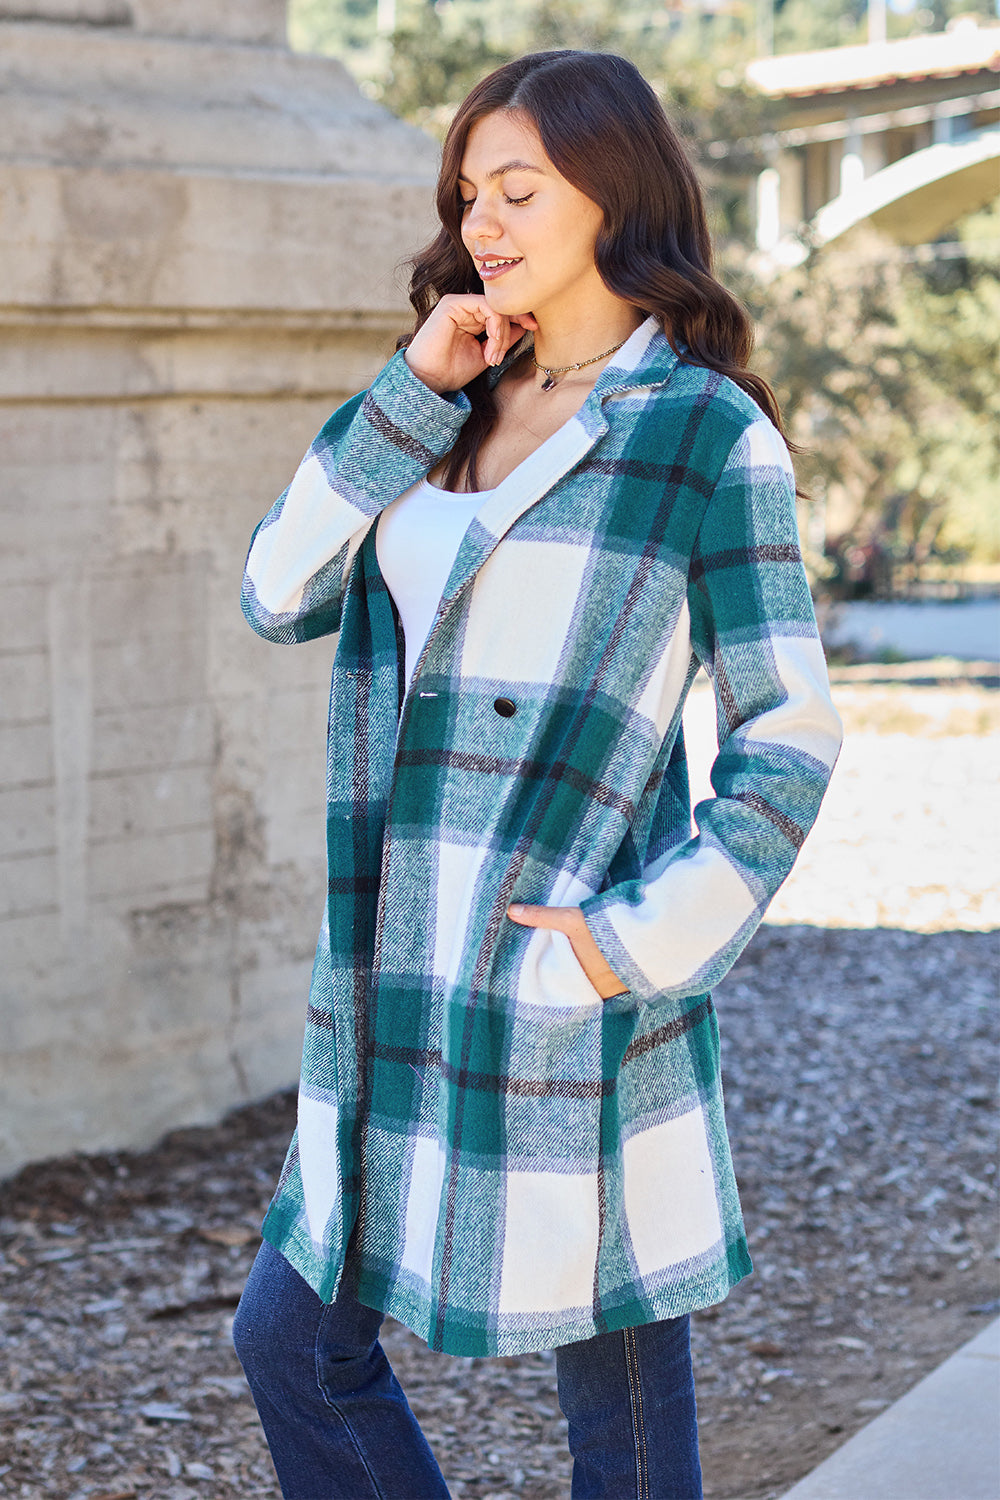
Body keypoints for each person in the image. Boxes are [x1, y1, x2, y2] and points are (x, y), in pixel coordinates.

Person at [232, 49, 842, 1500]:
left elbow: (788, 729)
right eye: (468, 191)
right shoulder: (446, 400)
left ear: (611, 195)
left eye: (520, 189)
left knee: (620, 1419)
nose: (484, 221)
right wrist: (406, 393)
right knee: (290, 1340)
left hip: (564, 969)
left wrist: (633, 946)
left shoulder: (704, 437)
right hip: (390, 969)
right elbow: (275, 592)